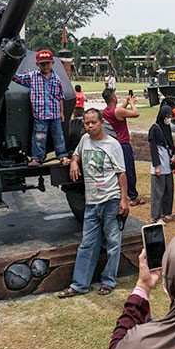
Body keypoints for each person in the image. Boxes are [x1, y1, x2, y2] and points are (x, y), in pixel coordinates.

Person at [58, 108, 128, 298]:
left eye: (93, 122)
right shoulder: (84, 140)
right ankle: (80, 284)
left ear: (101, 123)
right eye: (86, 123)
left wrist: (124, 199)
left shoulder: (112, 145)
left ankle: (108, 281)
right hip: (92, 202)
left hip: (110, 200)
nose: (90, 126)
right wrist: (74, 161)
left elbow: (121, 173)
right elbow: (77, 154)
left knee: (113, 242)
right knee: (87, 244)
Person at [13, 49, 69, 166]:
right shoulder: (33, 77)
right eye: (42, 64)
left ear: (52, 63)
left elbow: (60, 97)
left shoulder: (56, 78)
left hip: (55, 114)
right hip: (40, 115)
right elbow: (18, 78)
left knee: (58, 136)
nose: (45, 66)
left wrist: (62, 113)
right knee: (39, 137)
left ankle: (62, 156)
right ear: (37, 64)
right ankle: (37, 158)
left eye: (47, 63)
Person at [103, 89, 144, 206]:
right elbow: (136, 113)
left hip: (115, 144)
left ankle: (122, 193)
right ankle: (133, 196)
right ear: (113, 98)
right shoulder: (118, 111)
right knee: (129, 170)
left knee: (119, 169)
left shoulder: (106, 111)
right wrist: (132, 103)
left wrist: (126, 102)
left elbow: (119, 111)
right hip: (123, 144)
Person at [148, 105, 175, 224]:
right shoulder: (154, 129)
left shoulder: (167, 127)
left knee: (168, 189)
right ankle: (156, 215)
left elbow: (170, 143)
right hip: (159, 161)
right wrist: (157, 165)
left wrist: (174, 153)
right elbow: (153, 148)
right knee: (158, 191)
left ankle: (166, 211)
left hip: (168, 162)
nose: (169, 119)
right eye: (168, 117)